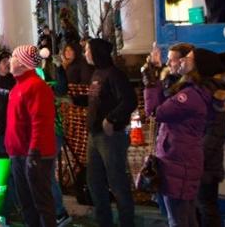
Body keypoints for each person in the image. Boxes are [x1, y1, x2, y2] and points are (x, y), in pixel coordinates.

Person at [143, 48, 217, 226]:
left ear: (197, 67)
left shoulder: (190, 96)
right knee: (186, 218)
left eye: (188, 59)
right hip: (181, 160)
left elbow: (155, 112)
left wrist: (151, 80)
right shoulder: (192, 90)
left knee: (178, 219)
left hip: (178, 162)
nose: (183, 60)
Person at [85, 38, 137, 227]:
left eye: (88, 50)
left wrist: (112, 118)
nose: (85, 54)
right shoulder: (96, 73)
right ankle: (104, 222)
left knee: (117, 183)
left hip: (110, 137)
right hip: (94, 135)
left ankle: (126, 222)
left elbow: (129, 101)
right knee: (95, 183)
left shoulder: (115, 75)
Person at [6, 45, 57, 227]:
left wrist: (34, 150)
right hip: (19, 153)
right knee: (26, 203)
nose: (10, 60)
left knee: (41, 203)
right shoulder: (17, 87)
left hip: (34, 154)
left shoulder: (36, 87)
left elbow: (40, 121)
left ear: (22, 62)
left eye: (13, 56)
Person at [199, 53, 225, 227]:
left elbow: (215, 133)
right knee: (203, 208)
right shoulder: (208, 92)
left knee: (207, 208)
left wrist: (197, 157)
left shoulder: (217, 94)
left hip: (205, 166)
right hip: (205, 163)